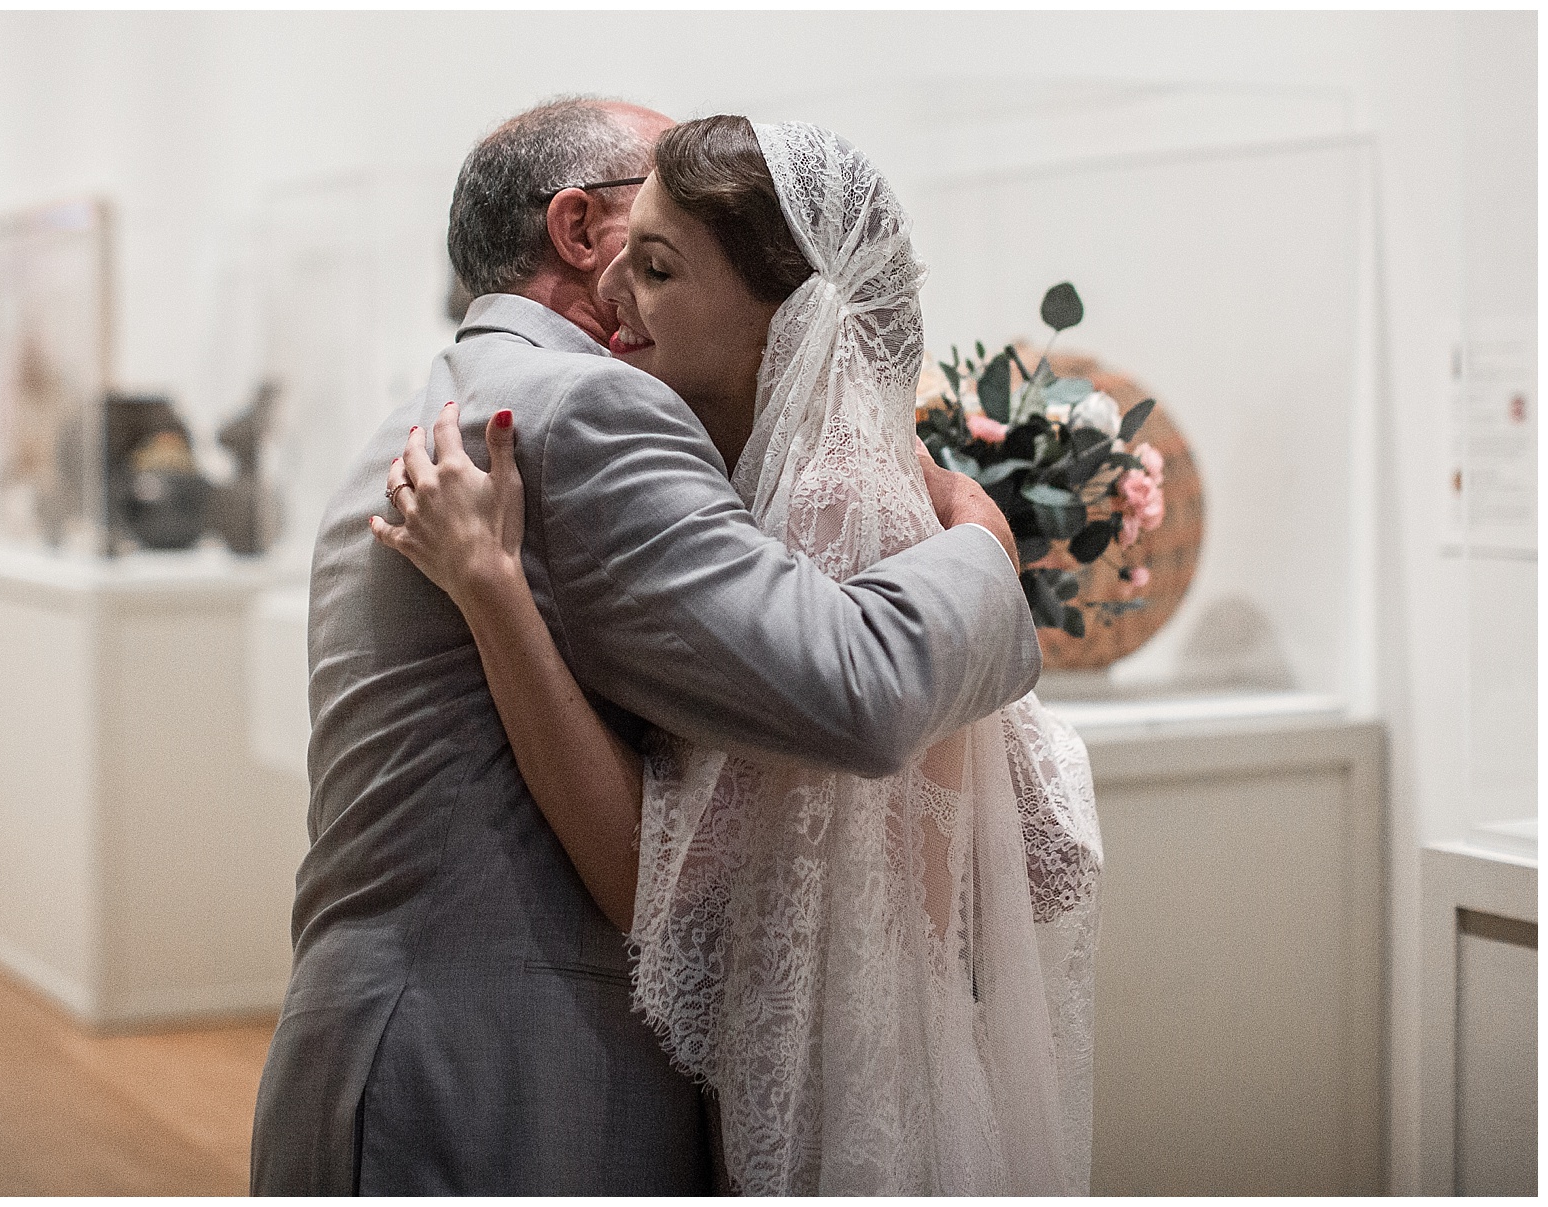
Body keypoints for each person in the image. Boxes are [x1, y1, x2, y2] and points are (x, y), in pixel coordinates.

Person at [248, 98, 1042, 1196]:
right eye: (644, 238)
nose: (633, 291)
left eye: (669, 264)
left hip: (407, 1051)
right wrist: (991, 545)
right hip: (501, 1081)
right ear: (580, 230)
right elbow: (853, 689)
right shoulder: (583, 411)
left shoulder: (458, 399)